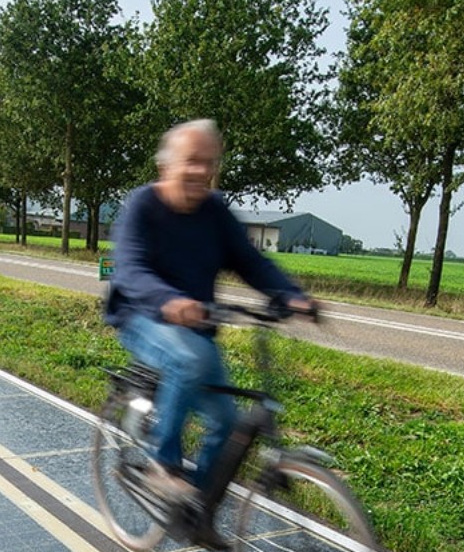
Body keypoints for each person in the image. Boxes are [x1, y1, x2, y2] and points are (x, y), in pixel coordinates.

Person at [104, 119, 316, 513]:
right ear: (166, 166)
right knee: (188, 360)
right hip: (141, 316)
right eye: (192, 161)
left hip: (195, 327)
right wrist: (169, 301)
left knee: (228, 423)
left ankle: (195, 509)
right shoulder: (142, 206)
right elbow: (130, 269)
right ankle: (161, 465)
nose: (203, 171)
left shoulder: (215, 211)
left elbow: (251, 262)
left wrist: (291, 296)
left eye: (210, 162)